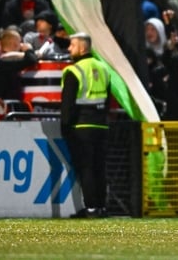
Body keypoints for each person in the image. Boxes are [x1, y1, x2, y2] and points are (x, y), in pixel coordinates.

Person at [61, 32, 111, 218]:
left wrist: (65, 126)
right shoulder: (104, 69)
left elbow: (68, 104)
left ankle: (90, 208)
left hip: (82, 127)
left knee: (86, 168)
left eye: (72, 45)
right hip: (102, 126)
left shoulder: (74, 71)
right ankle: (101, 207)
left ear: (82, 48)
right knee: (100, 167)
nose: (69, 49)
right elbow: (107, 102)